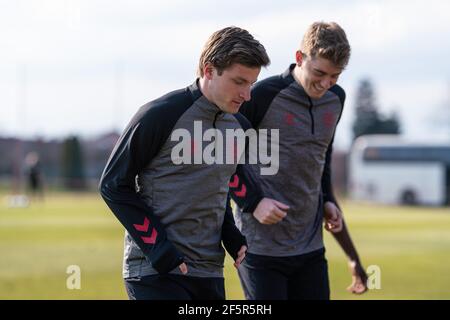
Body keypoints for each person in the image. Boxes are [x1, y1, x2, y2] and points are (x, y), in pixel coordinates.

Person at [99, 26, 271, 300]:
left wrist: (230, 234)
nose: (247, 94)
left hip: (210, 273)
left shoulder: (240, 127)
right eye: (239, 81)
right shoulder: (159, 115)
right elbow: (113, 185)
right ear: (209, 70)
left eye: (251, 83)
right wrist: (157, 247)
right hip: (156, 273)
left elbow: (217, 188)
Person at [229, 21, 368, 300]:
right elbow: (221, 158)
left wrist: (329, 202)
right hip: (259, 248)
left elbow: (322, 160)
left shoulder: (335, 99)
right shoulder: (262, 96)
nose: (326, 83)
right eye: (320, 72)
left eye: (335, 76)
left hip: (310, 248)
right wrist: (253, 201)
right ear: (299, 58)